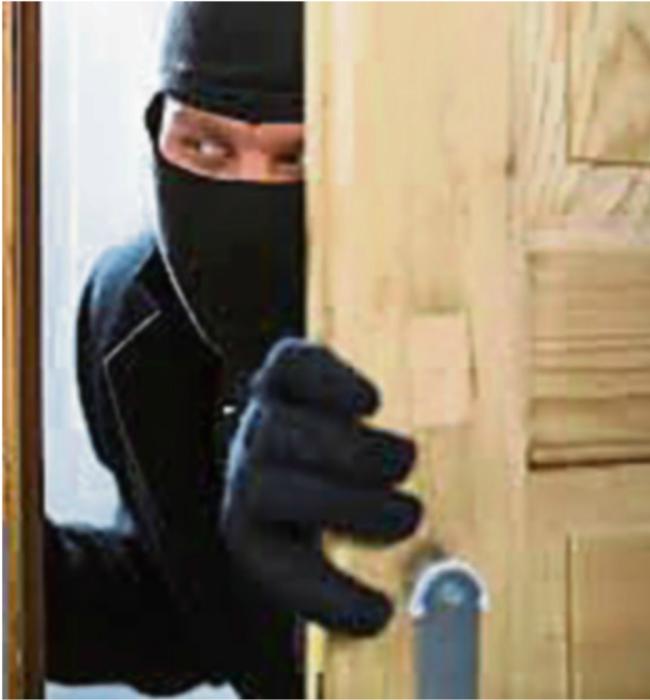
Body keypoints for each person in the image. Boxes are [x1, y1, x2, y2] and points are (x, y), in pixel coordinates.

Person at [43, 4, 422, 696]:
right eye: (206, 147)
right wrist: (31, 576)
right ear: (157, 130)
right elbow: (185, 608)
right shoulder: (127, 311)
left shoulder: (431, 332)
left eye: (297, 156)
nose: (246, 194)